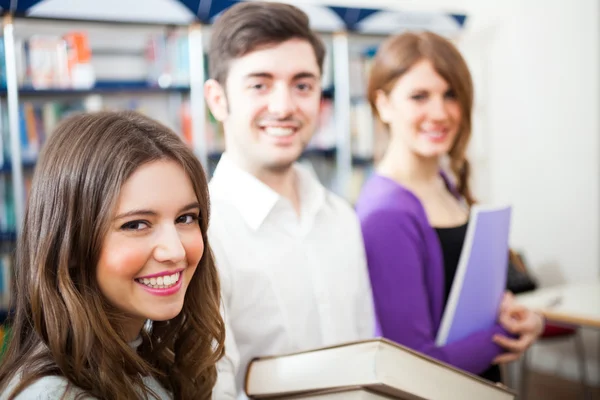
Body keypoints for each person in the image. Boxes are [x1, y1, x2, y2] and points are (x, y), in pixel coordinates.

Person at [203, 2, 375, 398]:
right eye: (259, 84)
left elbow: (365, 356)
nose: (284, 107)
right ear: (217, 100)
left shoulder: (340, 216)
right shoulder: (203, 234)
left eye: (303, 85)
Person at [355, 31, 544, 382]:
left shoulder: (446, 185)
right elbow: (413, 366)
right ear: (383, 104)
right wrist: (504, 335)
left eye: (451, 95)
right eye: (419, 96)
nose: (440, 113)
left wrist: (513, 315)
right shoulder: (386, 214)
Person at [0, 111, 225, 399]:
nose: (175, 250)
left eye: (185, 218)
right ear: (70, 246)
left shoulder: (145, 357)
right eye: (136, 224)